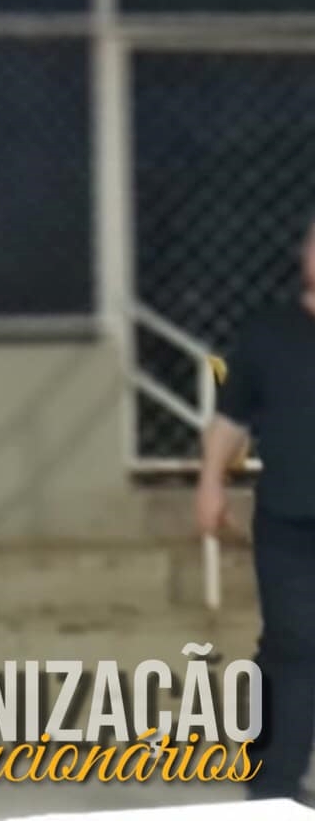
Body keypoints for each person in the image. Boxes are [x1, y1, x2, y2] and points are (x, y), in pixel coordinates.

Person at [199, 213, 315, 803]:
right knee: (297, 644)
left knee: (290, 651)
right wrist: (210, 484)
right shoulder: (268, 334)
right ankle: (274, 786)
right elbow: (230, 419)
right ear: (304, 254)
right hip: (288, 519)